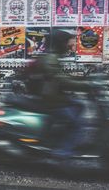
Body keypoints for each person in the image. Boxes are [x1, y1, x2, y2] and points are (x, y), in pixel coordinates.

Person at [26, 30, 90, 158]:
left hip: (53, 97)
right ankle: (63, 152)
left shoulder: (53, 57)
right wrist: (84, 86)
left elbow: (61, 76)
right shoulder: (51, 58)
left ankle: (58, 137)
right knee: (76, 124)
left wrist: (81, 80)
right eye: (68, 43)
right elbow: (60, 79)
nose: (70, 46)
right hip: (51, 100)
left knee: (79, 106)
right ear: (60, 43)